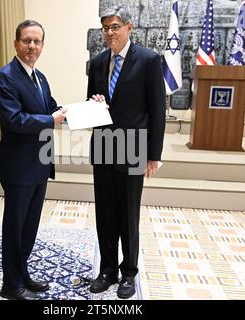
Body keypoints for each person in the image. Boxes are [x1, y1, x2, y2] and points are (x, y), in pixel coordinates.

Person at [87, 6, 166, 299]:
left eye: (115, 27)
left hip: (133, 149)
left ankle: (129, 273)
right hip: (104, 147)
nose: (109, 33)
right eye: (105, 27)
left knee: (128, 215)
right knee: (105, 213)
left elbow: (157, 109)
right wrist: (94, 102)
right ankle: (107, 270)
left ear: (129, 27)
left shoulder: (148, 60)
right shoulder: (96, 63)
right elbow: (91, 102)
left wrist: (153, 154)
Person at [0, 20, 66, 300]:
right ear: (16, 43)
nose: (32, 46)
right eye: (27, 40)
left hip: (40, 162)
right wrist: (51, 119)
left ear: (42, 46)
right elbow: (13, 120)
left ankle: (22, 275)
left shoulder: (40, 77)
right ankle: (10, 285)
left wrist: (87, 107)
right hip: (19, 166)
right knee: (14, 227)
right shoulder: (6, 77)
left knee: (30, 226)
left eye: (37, 41)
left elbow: (52, 108)